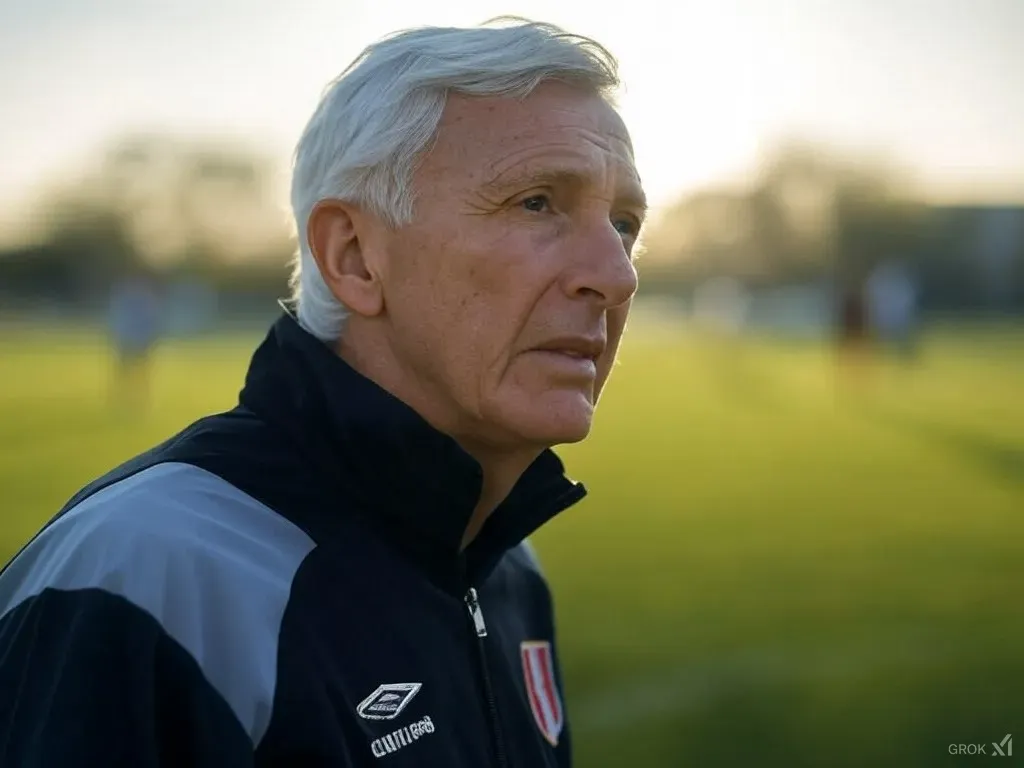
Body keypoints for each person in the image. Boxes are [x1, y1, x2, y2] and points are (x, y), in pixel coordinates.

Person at [0, 18, 645, 768]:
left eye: (625, 224)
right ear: (355, 257)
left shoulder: (507, 570)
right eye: (537, 202)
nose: (617, 274)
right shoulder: (140, 580)